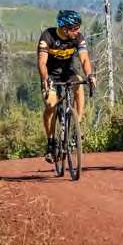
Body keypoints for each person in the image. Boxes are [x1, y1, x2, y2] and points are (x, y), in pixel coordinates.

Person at [37, 10, 96, 163]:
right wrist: (45, 79)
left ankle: (77, 126)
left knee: (79, 83)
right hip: (50, 75)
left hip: (67, 73)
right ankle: (51, 143)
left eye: (78, 28)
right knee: (51, 105)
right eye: (75, 28)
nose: (78, 31)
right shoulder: (47, 37)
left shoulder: (77, 38)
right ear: (64, 29)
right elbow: (42, 63)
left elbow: (84, 59)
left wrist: (90, 75)